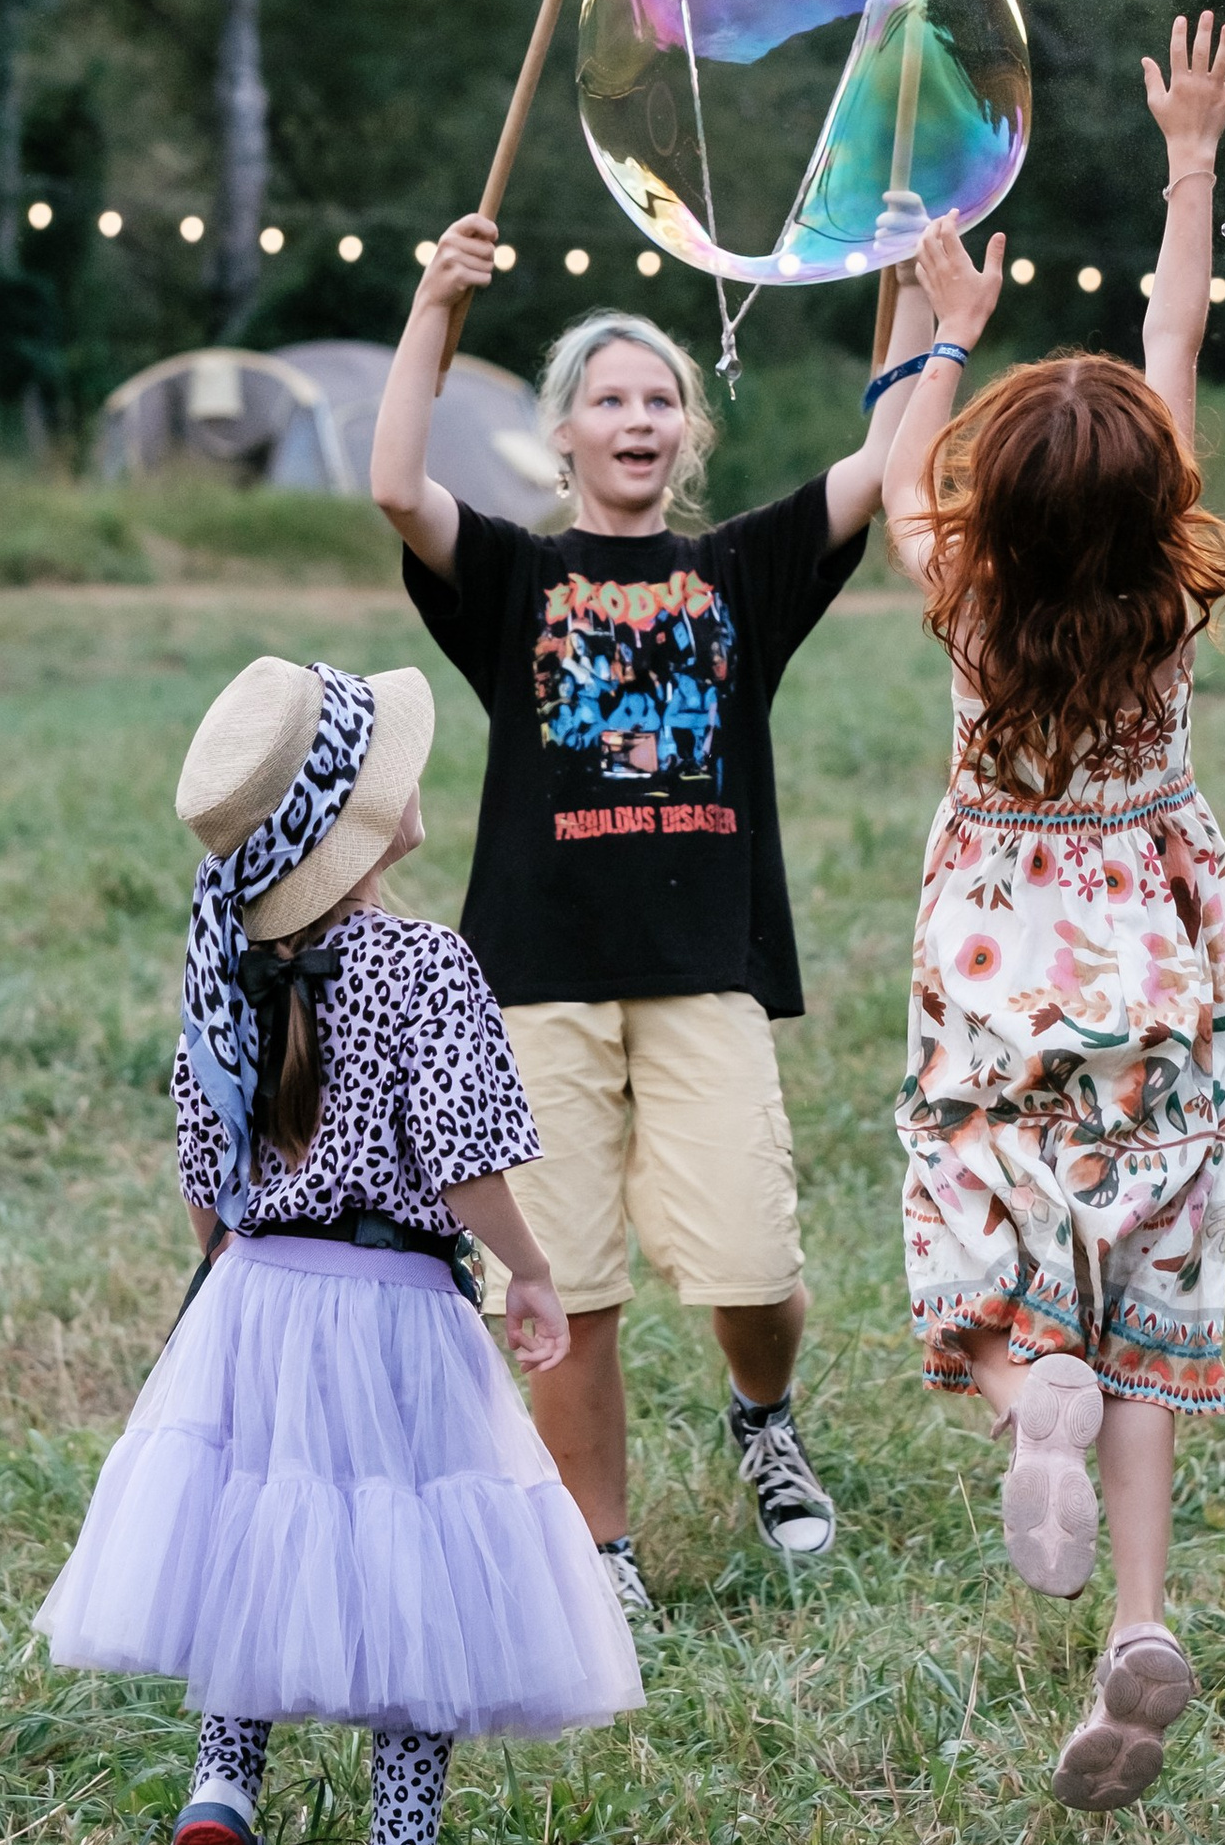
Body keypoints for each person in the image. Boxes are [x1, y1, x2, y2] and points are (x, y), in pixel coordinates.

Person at [35, 654, 640, 1845]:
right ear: (366, 820)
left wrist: (233, 1284)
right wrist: (530, 1273)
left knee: (257, 1544)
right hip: (397, 1303)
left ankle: (222, 1794)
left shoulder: (224, 971)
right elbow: (468, 1156)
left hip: (257, 1290)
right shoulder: (425, 962)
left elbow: (207, 1175)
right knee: (413, 1585)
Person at [371, 232, 934, 1617]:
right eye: (610, 398)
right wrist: (435, 308)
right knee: (571, 1290)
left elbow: (884, 469)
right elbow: (393, 482)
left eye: (660, 398)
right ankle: (603, 1557)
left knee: (753, 1260)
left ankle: (765, 1414)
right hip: (539, 979)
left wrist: (933, 310)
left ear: (689, 433)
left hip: (704, 971)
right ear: (561, 433)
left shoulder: (741, 572)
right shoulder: (512, 577)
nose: (637, 417)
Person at [878, 11, 1225, 1813]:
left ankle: (1032, 1372)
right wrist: (1186, 156)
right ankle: (1145, 1617)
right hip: (1154, 959)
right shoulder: (1171, 604)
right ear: (1146, 505)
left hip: (993, 956)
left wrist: (940, 327)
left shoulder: (961, 596)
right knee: (1150, 1270)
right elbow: (1172, 328)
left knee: (995, 1200)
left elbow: (891, 473)